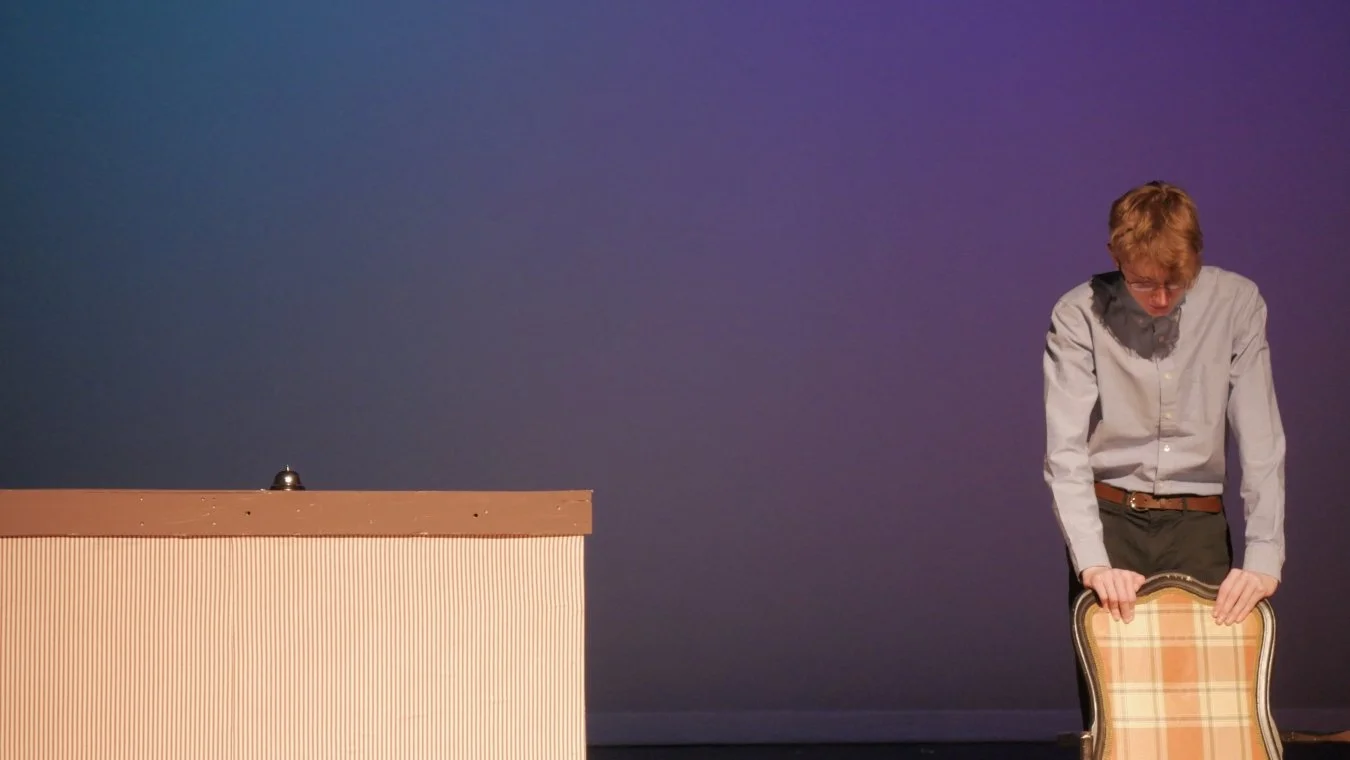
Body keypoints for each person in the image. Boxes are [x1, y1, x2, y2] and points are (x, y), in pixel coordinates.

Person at [1042, 180, 1286, 729]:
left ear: (1197, 255)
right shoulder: (1078, 313)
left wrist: (1264, 556)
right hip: (1111, 525)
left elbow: (1262, 438)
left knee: (1208, 713)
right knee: (1119, 717)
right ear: (1114, 256)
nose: (1159, 299)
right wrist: (1093, 561)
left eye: (1175, 283)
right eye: (1141, 283)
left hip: (1197, 526)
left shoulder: (1236, 302)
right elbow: (1065, 451)